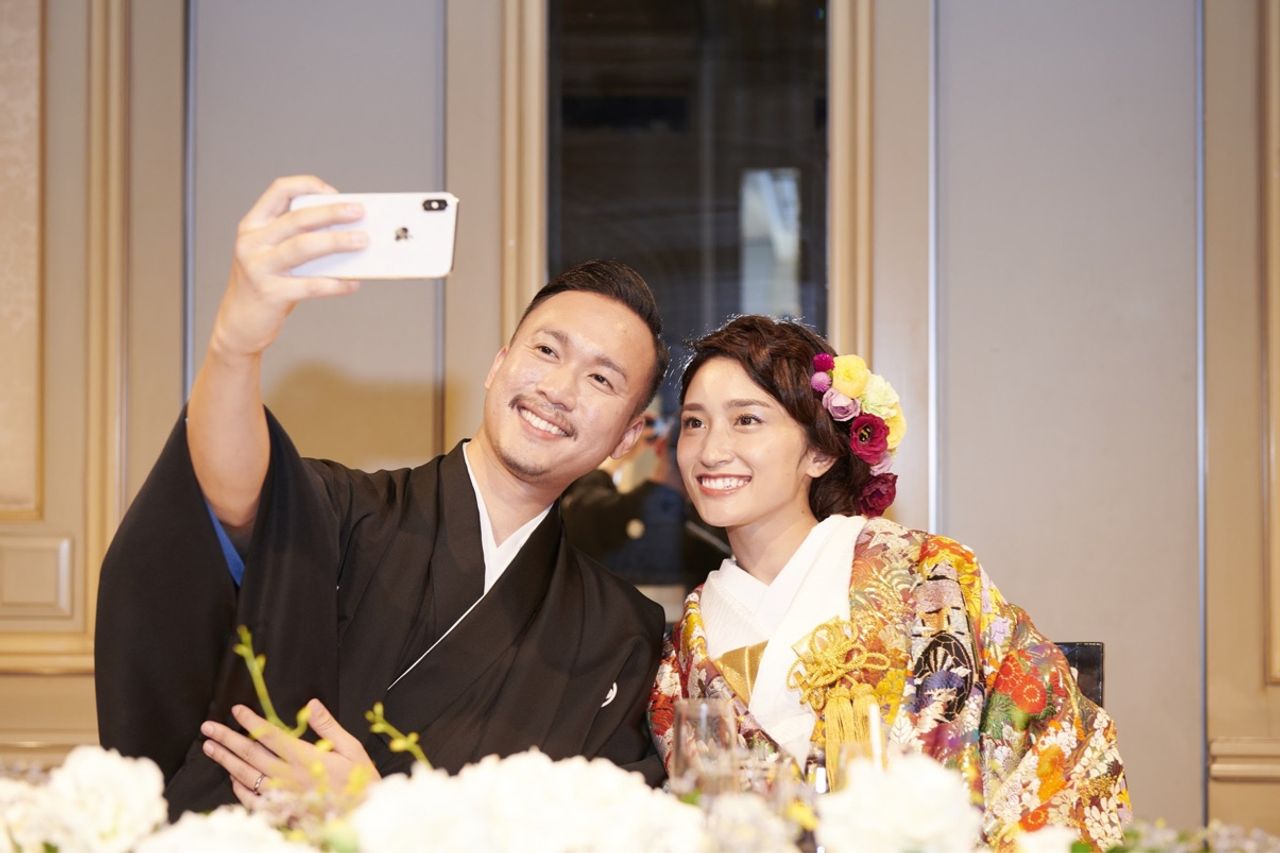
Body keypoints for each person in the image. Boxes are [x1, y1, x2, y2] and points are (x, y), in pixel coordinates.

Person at [94, 176, 669, 817]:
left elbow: (596, 831)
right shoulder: (348, 512)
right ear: (498, 365)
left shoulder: (619, 633)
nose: (558, 390)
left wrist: (377, 809)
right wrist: (235, 344)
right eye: (545, 350)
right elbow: (230, 494)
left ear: (627, 436)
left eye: (600, 379)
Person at [647, 315, 1129, 850]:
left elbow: (1059, 743)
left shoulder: (929, 573)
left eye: (747, 420)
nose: (711, 450)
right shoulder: (683, 645)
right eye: (694, 423)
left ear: (820, 451)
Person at [562, 417, 730, 600]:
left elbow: (583, 497)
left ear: (659, 447)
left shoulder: (593, 515)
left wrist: (618, 458)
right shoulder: (721, 550)